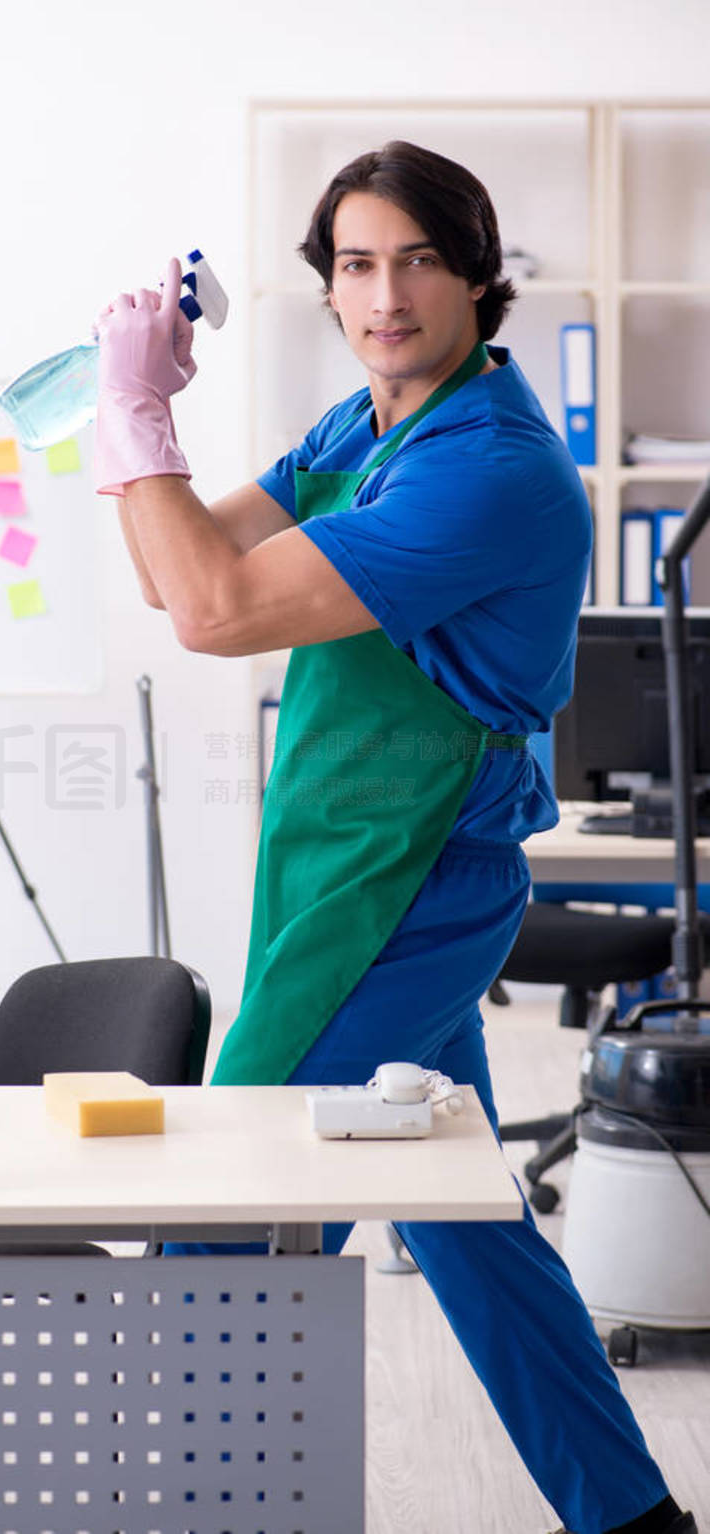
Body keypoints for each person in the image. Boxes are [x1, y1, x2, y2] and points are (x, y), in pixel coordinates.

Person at [92, 140, 697, 1534]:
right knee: (464, 1211)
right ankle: (631, 1514)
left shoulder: (489, 468)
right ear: (327, 288)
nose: (387, 292)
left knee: (227, 1190)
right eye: (356, 263)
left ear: (483, 278)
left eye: (419, 258)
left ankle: (204, 1506)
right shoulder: (367, 427)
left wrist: (137, 423)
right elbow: (175, 566)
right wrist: (143, 415)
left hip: (402, 881)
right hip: (336, 859)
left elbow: (216, 612)